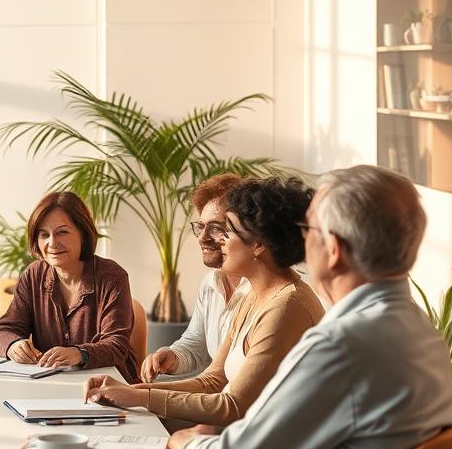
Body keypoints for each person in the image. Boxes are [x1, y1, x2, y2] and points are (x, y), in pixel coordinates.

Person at [107, 165, 452, 449]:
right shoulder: (422, 334)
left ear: (334, 249)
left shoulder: (339, 346)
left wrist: (186, 443)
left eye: (308, 231)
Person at [85, 177, 323, 427]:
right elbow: (212, 381)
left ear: (258, 243)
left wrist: (136, 396)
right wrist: (132, 390)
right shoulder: (255, 294)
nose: (218, 240)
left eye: (226, 231)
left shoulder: (285, 307)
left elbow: (233, 406)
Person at [0, 191, 138, 381]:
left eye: (62, 232)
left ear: (83, 234)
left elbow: (117, 346)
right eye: (44, 235)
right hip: (52, 384)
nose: (52, 243)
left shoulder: (112, 277)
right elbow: (5, 330)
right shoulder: (34, 274)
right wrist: (13, 345)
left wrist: (80, 353)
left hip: (111, 386)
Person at [140, 174, 250, 381]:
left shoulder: (261, 292)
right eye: (200, 226)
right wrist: (172, 356)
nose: (202, 237)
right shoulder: (210, 284)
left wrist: (142, 394)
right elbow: (196, 343)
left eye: (216, 228)